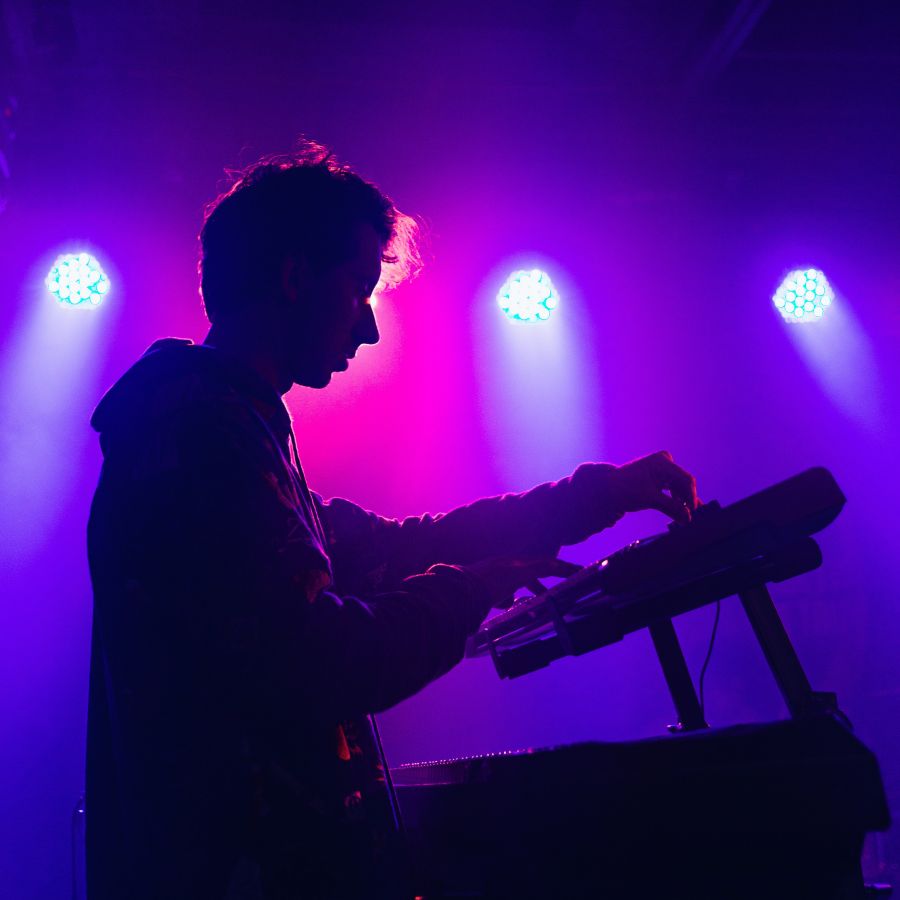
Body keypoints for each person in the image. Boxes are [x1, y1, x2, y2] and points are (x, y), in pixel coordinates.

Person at [85, 141, 698, 900]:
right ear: (294, 278)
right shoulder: (200, 436)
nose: (370, 328)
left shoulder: (220, 427)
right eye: (357, 289)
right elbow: (319, 660)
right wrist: (467, 590)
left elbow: (396, 548)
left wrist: (596, 496)